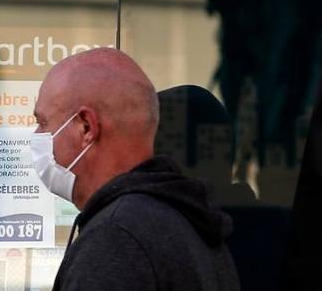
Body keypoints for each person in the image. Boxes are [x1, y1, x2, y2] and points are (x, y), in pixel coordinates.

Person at [32, 47, 240, 290]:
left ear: (86, 127)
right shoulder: (186, 220)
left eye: (42, 122)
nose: (37, 135)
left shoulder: (115, 239)